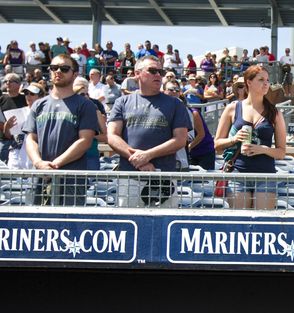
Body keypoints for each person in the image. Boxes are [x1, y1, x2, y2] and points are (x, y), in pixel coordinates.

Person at [107, 56, 191, 207]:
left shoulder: (175, 104)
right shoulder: (122, 102)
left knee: (164, 227)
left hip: (164, 178)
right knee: (129, 225)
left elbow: (180, 140)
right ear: (137, 73)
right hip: (130, 177)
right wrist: (138, 160)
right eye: (152, 71)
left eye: (160, 71)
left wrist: (147, 155)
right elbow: (112, 136)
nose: (158, 75)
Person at [23, 54, 98, 205]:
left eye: (64, 68)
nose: (58, 71)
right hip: (40, 176)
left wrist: (54, 165)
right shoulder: (39, 105)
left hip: (71, 179)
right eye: (53, 68)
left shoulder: (85, 105)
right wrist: (38, 163)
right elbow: (30, 139)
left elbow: (85, 141)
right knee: (36, 224)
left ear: (75, 74)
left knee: (69, 224)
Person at [214, 65, 287, 210]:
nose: (266, 83)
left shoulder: (275, 113)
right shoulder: (233, 108)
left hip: (266, 175)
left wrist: (262, 149)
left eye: (267, 80)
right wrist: (234, 139)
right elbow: (217, 144)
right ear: (249, 82)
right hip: (238, 174)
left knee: (264, 223)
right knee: (239, 223)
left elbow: (281, 152)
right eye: (261, 80)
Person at [1, 73, 26, 162]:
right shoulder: (1, 99)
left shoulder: (25, 98)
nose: (8, 83)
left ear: (19, 84)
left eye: (11, 81)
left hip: (22, 140)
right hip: (4, 139)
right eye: (6, 81)